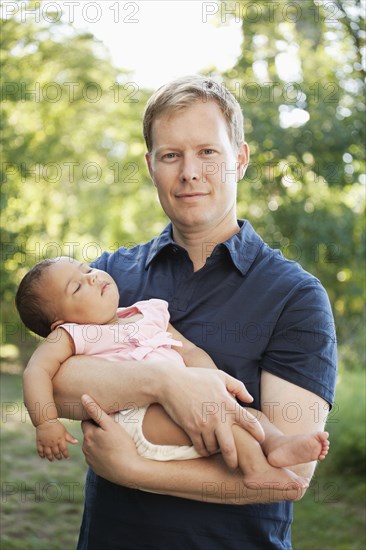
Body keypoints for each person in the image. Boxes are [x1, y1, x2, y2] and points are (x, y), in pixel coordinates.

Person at [49, 75, 337, 549]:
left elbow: (291, 472)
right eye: (171, 155)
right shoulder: (108, 278)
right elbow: (56, 386)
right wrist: (167, 382)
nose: (189, 172)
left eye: (208, 152)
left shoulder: (295, 296)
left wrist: (133, 470)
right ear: (150, 166)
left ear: (240, 159)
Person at [16, 256, 329, 491]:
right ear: (59, 320)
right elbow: (38, 371)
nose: (94, 277)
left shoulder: (147, 312)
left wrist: (211, 382)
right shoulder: (71, 334)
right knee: (224, 422)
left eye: (87, 269)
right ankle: (255, 467)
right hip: (138, 418)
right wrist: (45, 422)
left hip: (188, 404)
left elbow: (189, 351)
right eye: (77, 286)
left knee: (248, 416)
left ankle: (275, 444)